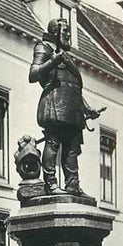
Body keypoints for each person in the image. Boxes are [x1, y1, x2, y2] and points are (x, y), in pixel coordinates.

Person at [28, 18, 101, 195]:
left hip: (72, 110)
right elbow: (33, 74)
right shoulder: (43, 48)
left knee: (71, 149)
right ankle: (51, 184)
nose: (68, 36)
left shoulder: (68, 57)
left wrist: (87, 109)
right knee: (53, 143)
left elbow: (73, 86)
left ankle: (72, 184)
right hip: (54, 103)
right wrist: (52, 61)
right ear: (55, 32)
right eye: (65, 32)